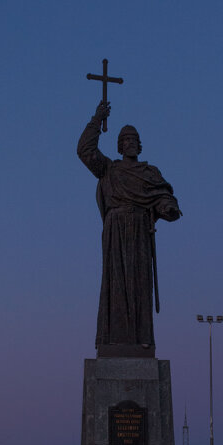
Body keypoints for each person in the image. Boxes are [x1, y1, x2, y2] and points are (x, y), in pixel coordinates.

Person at [77, 100, 181, 355]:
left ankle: (142, 339)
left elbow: (163, 196)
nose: (131, 142)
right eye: (126, 139)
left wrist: (168, 208)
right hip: (115, 232)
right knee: (116, 285)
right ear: (120, 145)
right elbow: (84, 151)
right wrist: (96, 120)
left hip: (140, 232)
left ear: (139, 144)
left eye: (134, 139)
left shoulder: (149, 172)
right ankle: (112, 339)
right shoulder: (109, 170)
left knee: (139, 286)